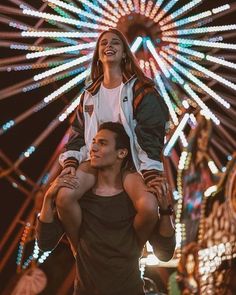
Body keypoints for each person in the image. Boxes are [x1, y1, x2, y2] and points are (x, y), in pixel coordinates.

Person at [56, 28, 170, 254]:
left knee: (148, 207)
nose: (109, 46)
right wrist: (70, 164)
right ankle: (80, 249)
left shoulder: (141, 90)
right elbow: (78, 133)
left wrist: (150, 171)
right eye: (103, 43)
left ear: (125, 53)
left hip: (129, 163)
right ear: (98, 54)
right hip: (95, 160)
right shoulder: (90, 94)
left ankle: (132, 250)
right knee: (64, 197)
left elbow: (151, 132)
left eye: (116, 43)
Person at [36, 122, 175, 295]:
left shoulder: (134, 201)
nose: (93, 147)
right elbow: (44, 243)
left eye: (102, 143)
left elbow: (165, 253)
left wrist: (165, 210)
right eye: (93, 142)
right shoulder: (80, 200)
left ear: (122, 153)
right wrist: (49, 198)